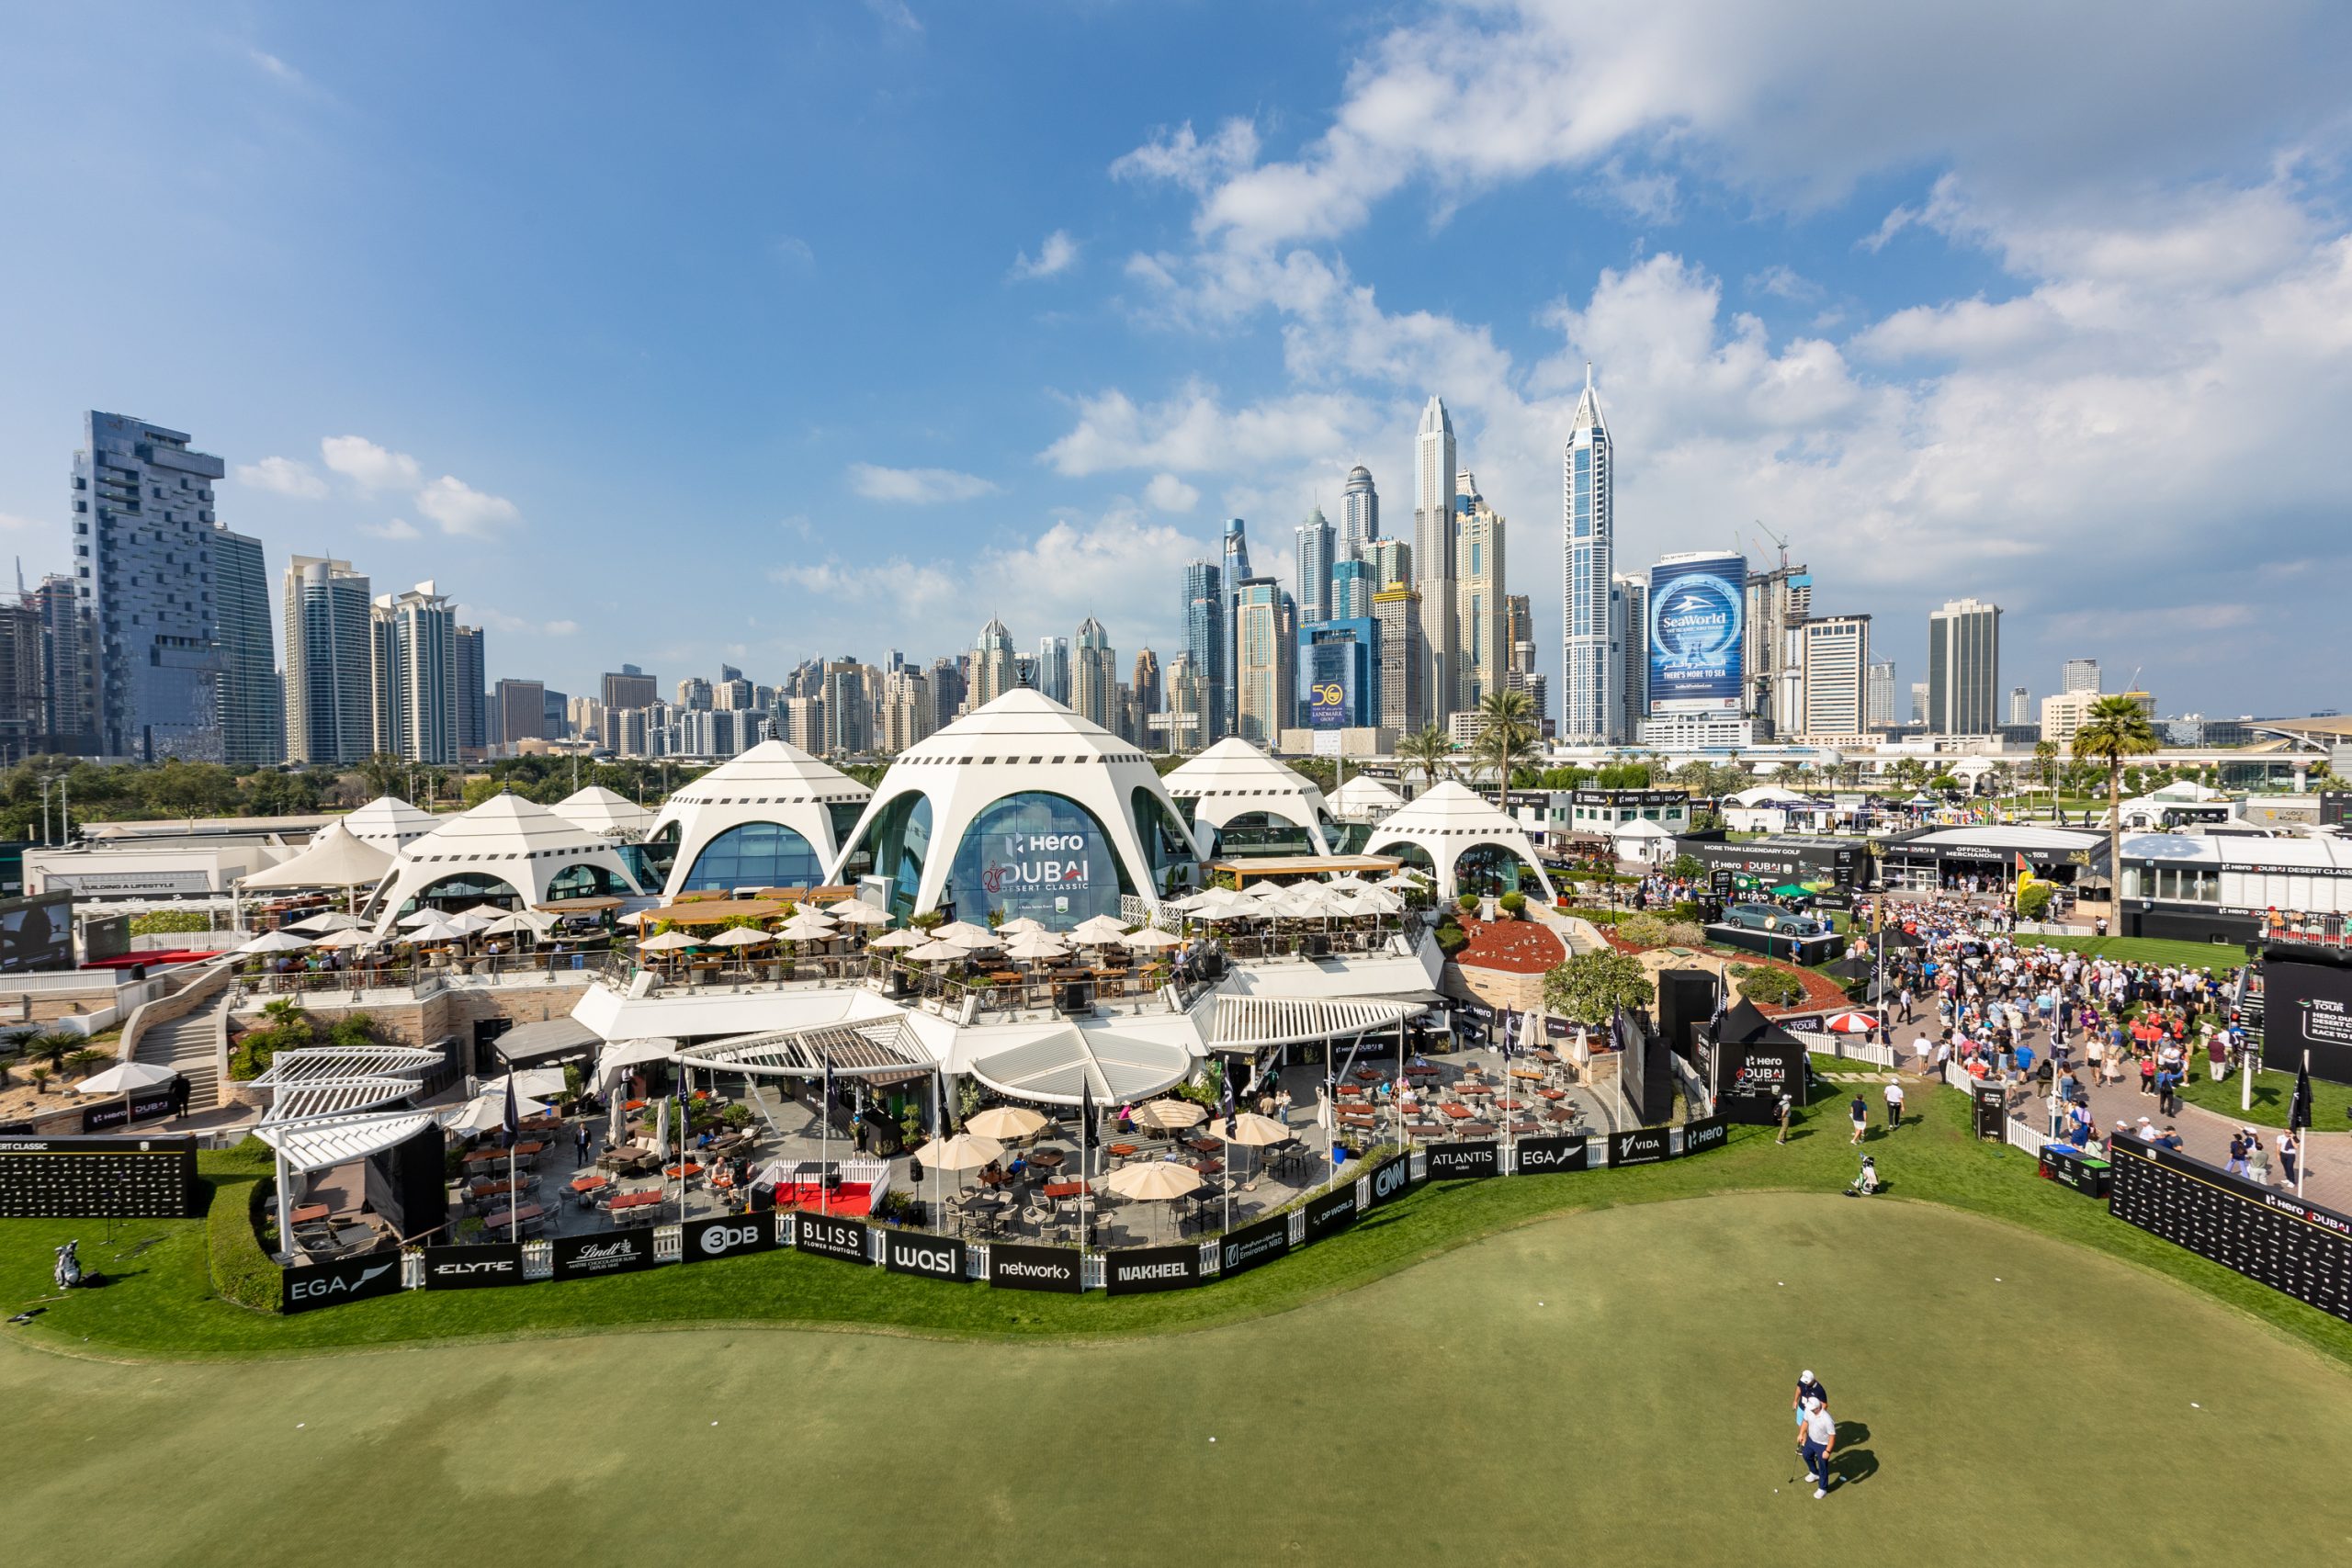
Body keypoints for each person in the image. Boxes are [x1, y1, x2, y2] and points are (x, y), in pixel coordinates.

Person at [1800, 1395, 1838, 1498]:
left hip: (1823, 1445)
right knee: (1806, 1455)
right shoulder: (1809, 1410)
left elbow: (1832, 1436)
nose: (1810, 1410)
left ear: (1817, 1408)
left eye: (1812, 1409)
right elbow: (1805, 1421)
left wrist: (1828, 1451)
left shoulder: (1827, 1419)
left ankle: (1823, 1488)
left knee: (1823, 1467)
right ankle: (1814, 1473)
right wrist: (1801, 1433)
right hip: (1811, 1440)